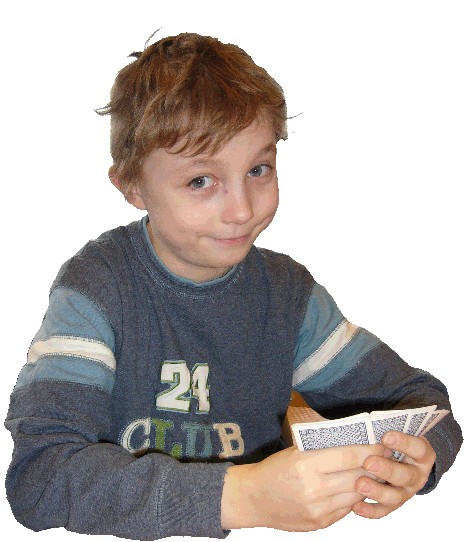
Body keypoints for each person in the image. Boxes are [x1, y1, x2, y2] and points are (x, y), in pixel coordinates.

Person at [4, 32, 462, 539]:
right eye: (201, 181)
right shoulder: (97, 288)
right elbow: (40, 480)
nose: (242, 210)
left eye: (258, 170)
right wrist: (241, 497)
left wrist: (419, 458)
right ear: (131, 186)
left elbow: (425, 403)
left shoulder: (289, 297)